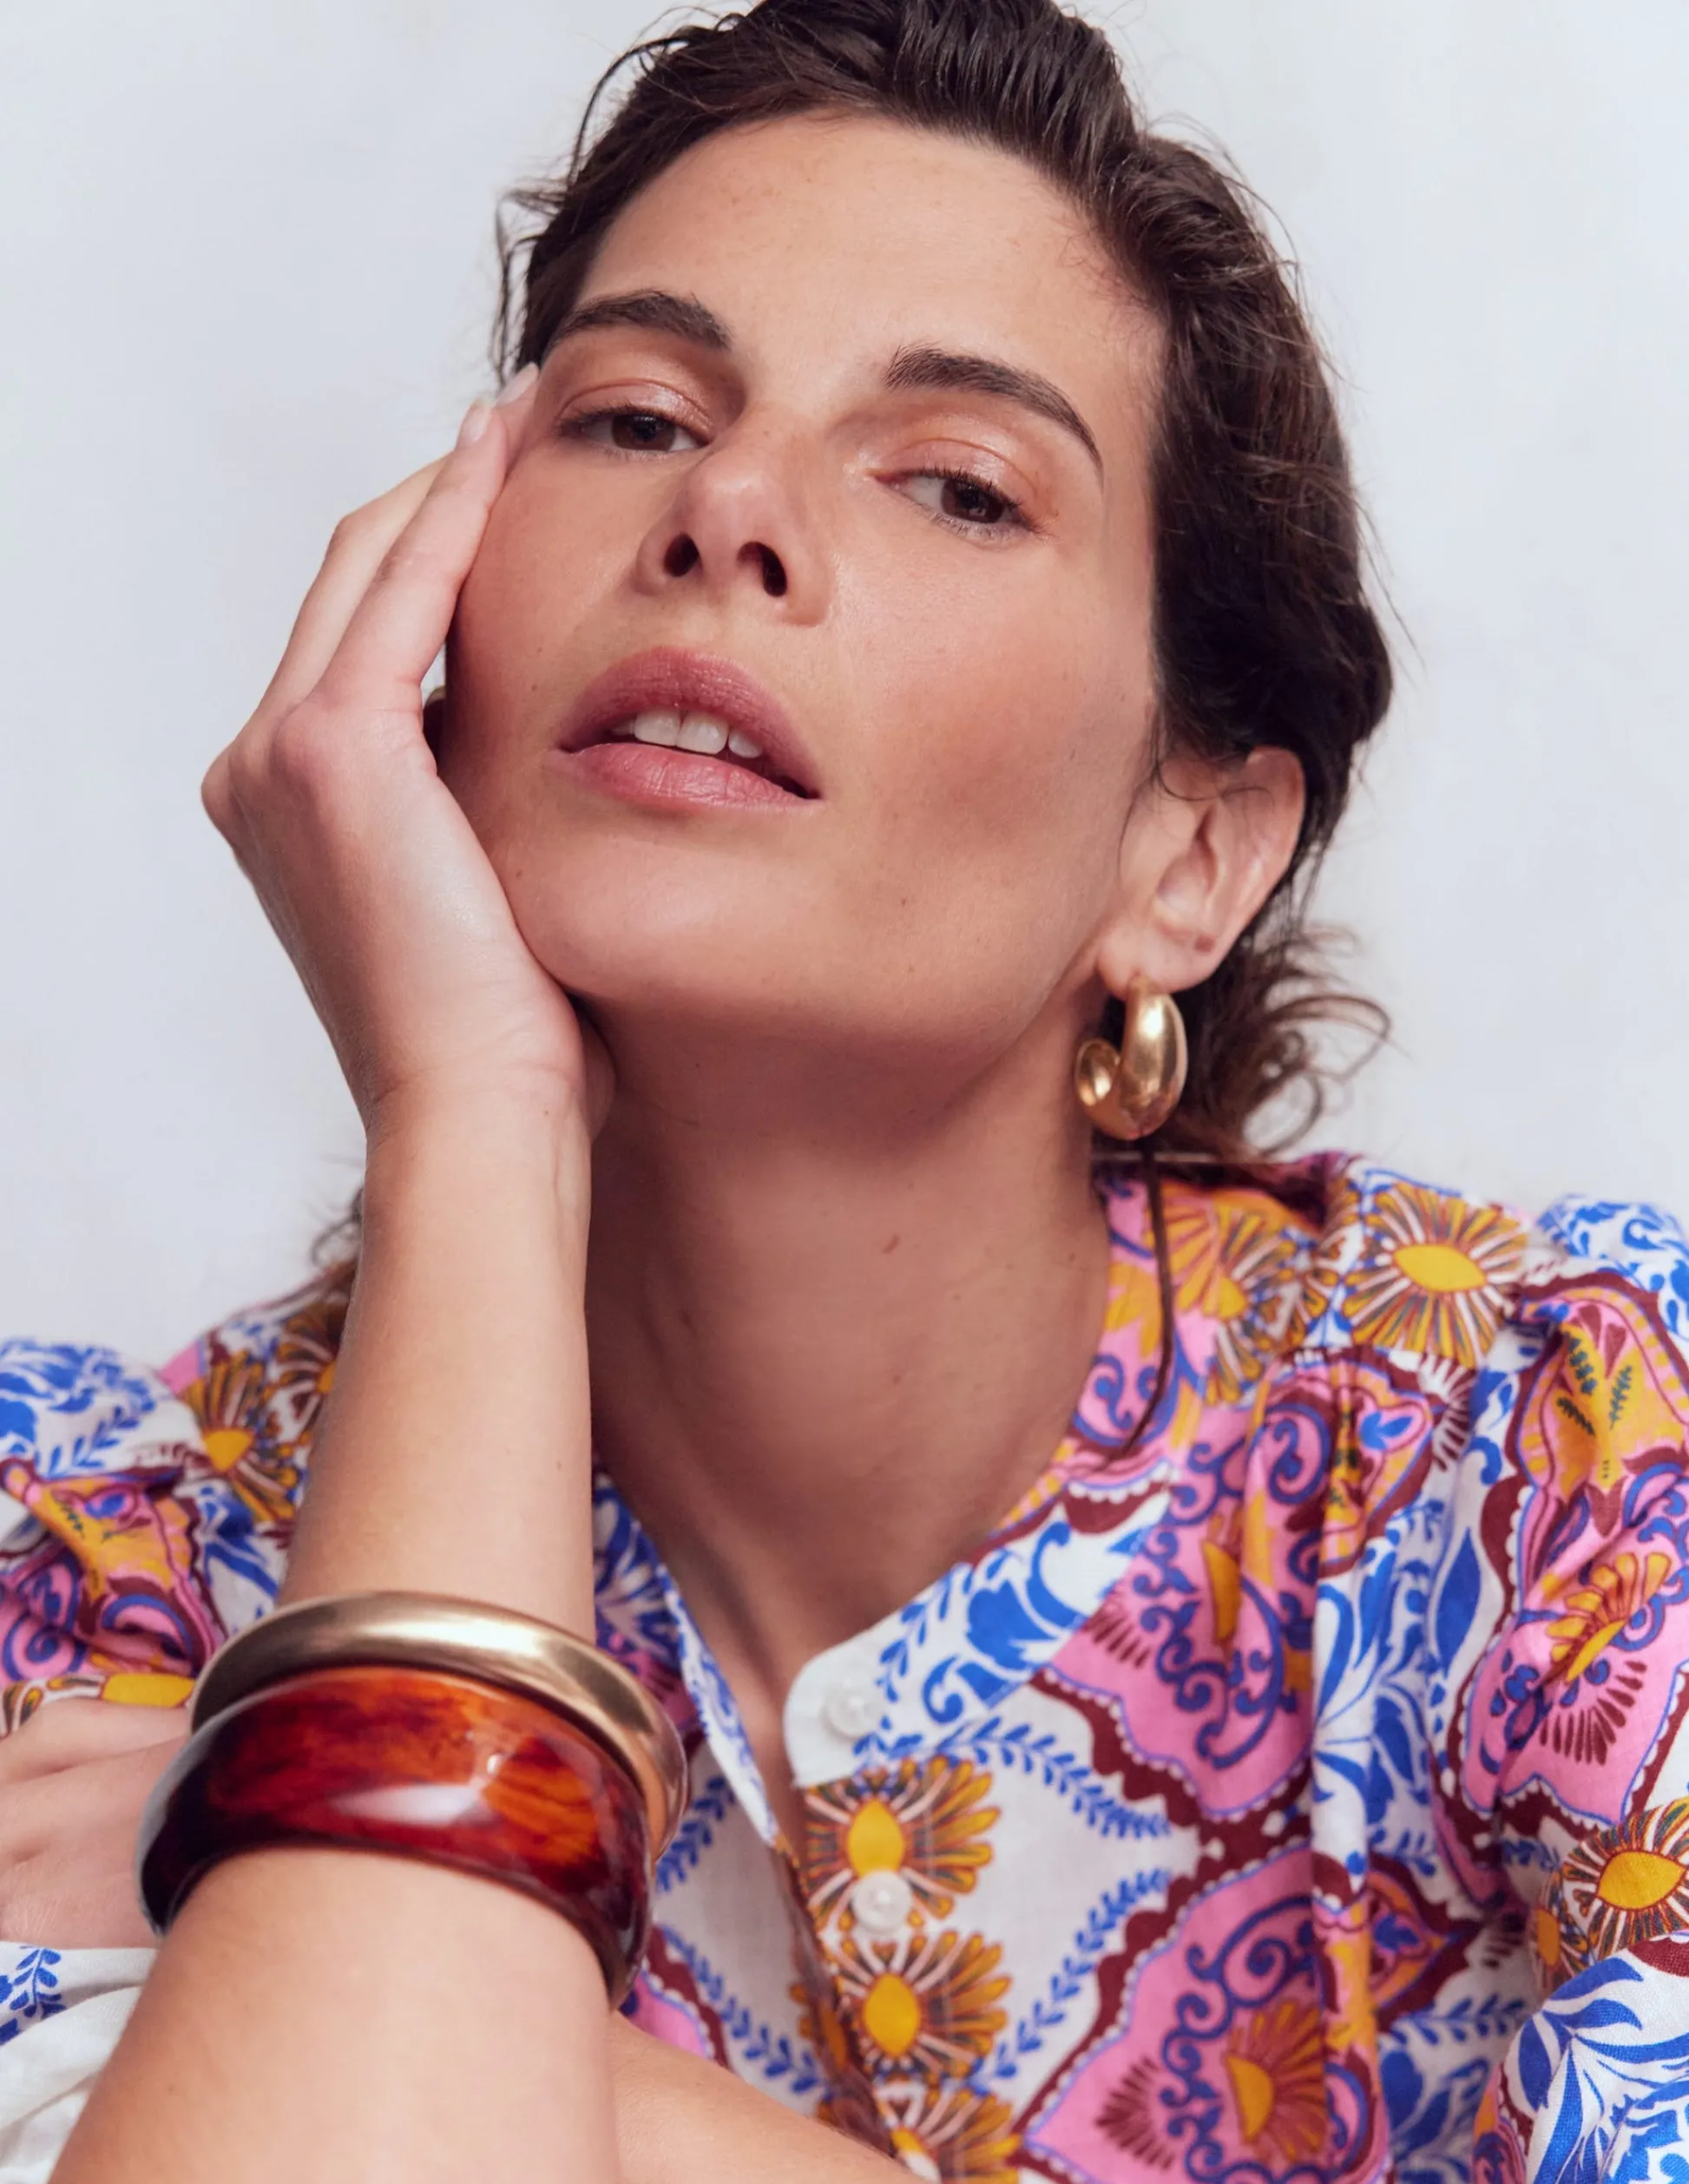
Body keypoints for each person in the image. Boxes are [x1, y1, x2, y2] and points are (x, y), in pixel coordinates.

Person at [3, 0, 1687, 2176]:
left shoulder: (1558, 1473)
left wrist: (341, 1876)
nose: (726, 508)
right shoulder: (96, 1561)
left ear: (1187, 851)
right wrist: (474, 1123)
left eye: (960, 485)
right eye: (628, 417)